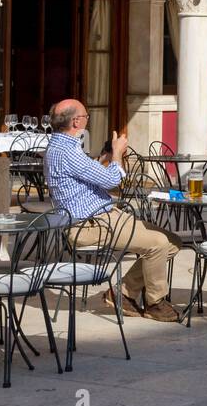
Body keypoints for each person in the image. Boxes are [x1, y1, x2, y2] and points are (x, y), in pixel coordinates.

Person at [43, 99, 182, 322]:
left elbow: (87, 176)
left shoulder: (62, 146)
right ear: (76, 121)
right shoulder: (67, 150)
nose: (88, 120)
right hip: (88, 225)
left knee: (172, 241)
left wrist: (103, 160)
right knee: (159, 244)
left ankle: (122, 293)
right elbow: (110, 181)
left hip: (103, 216)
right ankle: (156, 303)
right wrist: (117, 154)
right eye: (86, 117)